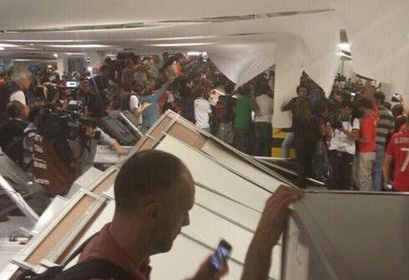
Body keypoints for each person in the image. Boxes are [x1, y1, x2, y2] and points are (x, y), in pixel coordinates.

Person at [73, 150, 303, 280]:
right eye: (184, 212)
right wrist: (261, 247)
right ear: (153, 214)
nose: (187, 221)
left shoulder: (104, 249)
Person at [326, 101, 360, 190]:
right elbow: (329, 134)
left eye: (348, 109)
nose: (345, 111)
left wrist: (343, 129)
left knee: (346, 176)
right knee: (334, 175)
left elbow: (355, 137)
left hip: (347, 151)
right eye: (343, 108)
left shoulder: (354, 120)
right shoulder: (335, 118)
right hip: (335, 149)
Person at [353, 97, 377, 191]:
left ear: (363, 107)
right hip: (371, 150)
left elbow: (366, 139)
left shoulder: (367, 120)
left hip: (365, 151)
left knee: (363, 176)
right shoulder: (374, 115)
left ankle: (364, 195)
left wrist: (356, 138)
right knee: (366, 175)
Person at [372, 91, 395, 191]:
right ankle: (376, 192)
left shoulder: (372, 112)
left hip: (370, 144)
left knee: (367, 171)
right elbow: (392, 130)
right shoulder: (389, 114)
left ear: (378, 99)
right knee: (378, 170)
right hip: (381, 144)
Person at [0, 101, 29, 166]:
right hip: (21, 160)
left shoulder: (2, 127)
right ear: (21, 111)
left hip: (6, 157)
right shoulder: (25, 128)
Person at [280, 85, 309, 159]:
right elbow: (284, 108)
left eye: (304, 91)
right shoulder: (294, 101)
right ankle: (284, 162)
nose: (302, 93)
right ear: (298, 92)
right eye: (301, 91)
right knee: (285, 144)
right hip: (295, 127)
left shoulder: (309, 102)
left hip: (304, 129)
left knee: (299, 147)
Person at [233, 86, 257, 153]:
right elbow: (256, 109)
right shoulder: (248, 100)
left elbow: (234, 110)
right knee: (244, 144)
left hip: (236, 123)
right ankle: (242, 158)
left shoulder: (238, 100)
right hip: (244, 124)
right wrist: (253, 97)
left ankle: (237, 157)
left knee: (238, 143)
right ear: (248, 93)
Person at [253, 85, 273, 156]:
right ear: (268, 91)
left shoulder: (256, 98)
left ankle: (255, 156)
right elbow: (272, 111)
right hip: (266, 122)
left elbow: (254, 108)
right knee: (266, 141)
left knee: (257, 140)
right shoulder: (271, 100)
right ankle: (266, 156)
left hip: (257, 121)